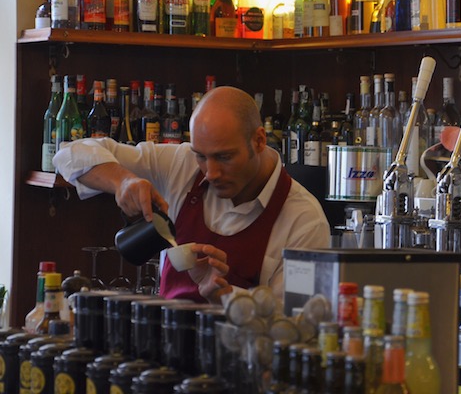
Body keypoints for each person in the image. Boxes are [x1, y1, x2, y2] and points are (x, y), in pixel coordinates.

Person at [53, 86, 330, 303]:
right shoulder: (181, 163)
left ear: (259, 140)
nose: (210, 172)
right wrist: (122, 180)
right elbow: (69, 153)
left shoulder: (303, 220)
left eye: (224, 157)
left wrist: (224, 295)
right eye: (201, 156)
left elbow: (296, 326)